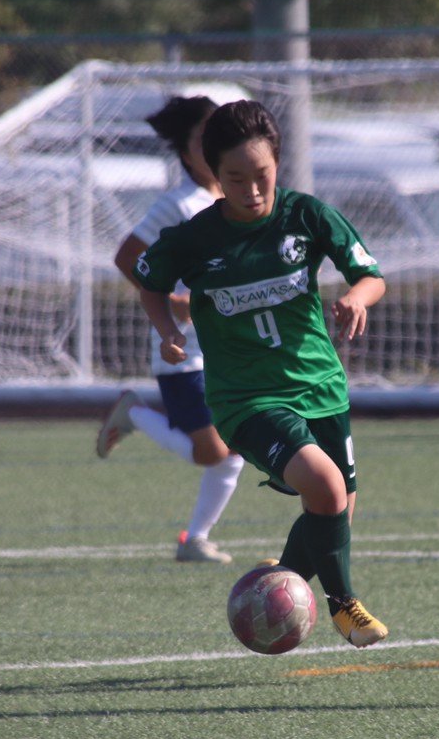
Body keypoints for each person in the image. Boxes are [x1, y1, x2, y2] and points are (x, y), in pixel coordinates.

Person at [133, 99, 390, 647]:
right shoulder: (195, 237)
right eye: (235, 179)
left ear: (278, 164)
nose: (251, 191)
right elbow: (148, 280)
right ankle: (344, 605)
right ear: (213, 176)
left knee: (333, 503)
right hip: (246, 399)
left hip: (321, 387)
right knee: (325, 489)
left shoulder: (307, 216)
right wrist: (167, 332)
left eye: (263, 177)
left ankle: (271, 595)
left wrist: (357, 297)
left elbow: (369, 273)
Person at [97, 96, 246, 564]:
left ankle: (196, 539)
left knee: (235, 449)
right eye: (201, 139)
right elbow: (127, 258)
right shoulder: (179, 204)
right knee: (212, 453)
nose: (213, 145)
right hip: (183, 352)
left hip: (226, 349)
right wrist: (173, 302)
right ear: (184, 152)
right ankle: (134, 413)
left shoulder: (234, 199)